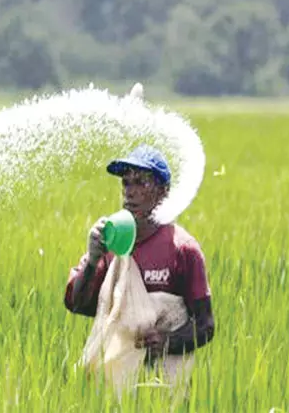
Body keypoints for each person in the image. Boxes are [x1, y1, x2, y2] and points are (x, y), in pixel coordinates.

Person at [64, 144, 215, 365]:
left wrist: (168, 341)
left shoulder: (182, 249)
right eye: (126, 183)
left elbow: (205, 325)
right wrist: (93, 259)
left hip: (165, 381)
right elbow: (78, 305)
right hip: (113, 378)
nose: (130, 192)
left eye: (141, 183)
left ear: (163, 192)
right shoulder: (110, 242)